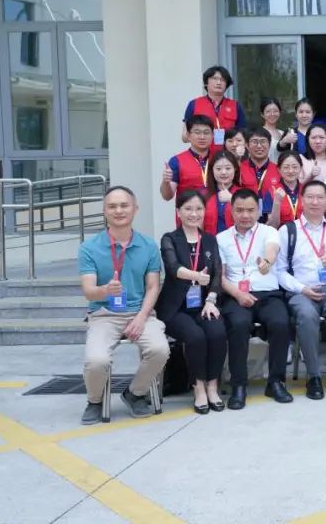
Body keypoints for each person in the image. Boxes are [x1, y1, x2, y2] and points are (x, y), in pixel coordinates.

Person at [78, 187, 170, 425]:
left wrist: (141, 317)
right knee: (96, 360)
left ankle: (135, 393)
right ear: (104, 211)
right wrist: (105, 291)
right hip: (104, 313)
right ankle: (95, 401)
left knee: (160, 350)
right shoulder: (89, 247)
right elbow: (88, 290)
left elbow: (153, 287)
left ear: (135, 209)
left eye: (124, 205)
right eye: (112, 206)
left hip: (140, 313)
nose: (118, 210)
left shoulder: (148, 246)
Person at [275, 180, 326, 400]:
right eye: (310, 197)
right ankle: (313, 376)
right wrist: (302, 288)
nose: (315, 202)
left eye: (320, 197)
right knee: (306, 316)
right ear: (302, 199)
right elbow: (280, 271)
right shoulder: (288, 230)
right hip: (301, 290)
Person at [218, 188, 291, 408]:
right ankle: (238, 385)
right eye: (239, 210)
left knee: (280, 323)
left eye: (250, 210)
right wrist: (238, 294)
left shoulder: (269, 232)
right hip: (235, 295)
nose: (245, 215)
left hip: (267, 294)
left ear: (258, 210)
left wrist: (266, 263)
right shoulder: (221, 238)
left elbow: (272, 250)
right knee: (238, 325)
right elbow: (220, 277)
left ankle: (276, 382)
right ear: (231, 211)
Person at [158, 191, 225, 414]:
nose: (193, 214)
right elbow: (173, 268)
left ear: (205, 211)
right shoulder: (169, 239)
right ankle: (199, 389)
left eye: (198, 209)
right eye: (188, 209)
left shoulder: (210, 240)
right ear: (178, 212)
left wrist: (211, 300)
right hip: (176, 308)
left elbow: (217, 273)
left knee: (217, 333)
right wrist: (196, 276)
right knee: (196, 337)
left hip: (203, 305)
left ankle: (213, 386)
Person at [183, 65, 246, 149]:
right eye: (215, 78)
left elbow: (243, 135)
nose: (219, 82)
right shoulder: (194, 104)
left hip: (228, 154)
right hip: (203, 153)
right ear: (206, 83)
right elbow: (184, 136)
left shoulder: (235, 106)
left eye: (222, 80)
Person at [161, 115, 213, 202]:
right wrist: (165, 182)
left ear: (212, 135)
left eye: (206, 132)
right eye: (197, 132)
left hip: (215, 210)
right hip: (188, 210)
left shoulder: (219, 159)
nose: (202, 137)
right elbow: (167, 196)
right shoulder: (176, 161)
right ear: (188, 135)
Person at [240, 127, 282, 220]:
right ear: (247, 145)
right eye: (254, 142)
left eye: (263, 141)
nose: (259, 146)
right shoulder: (239, 169)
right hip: (245, 217)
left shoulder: (279, 170)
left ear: (270, 144)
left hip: (272, 219)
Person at [202, 151, 241, 236]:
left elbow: (251, 216)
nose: (223, 172)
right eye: (218, 169)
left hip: (237, 241)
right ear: (212, 170)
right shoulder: (203, 194)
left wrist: (232, 199)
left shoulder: (244, 194)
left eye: (228, 168)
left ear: (235, 169)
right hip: (210, 241)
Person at [267, 151, 304, 227]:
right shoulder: (272, 191)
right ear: (279, 169)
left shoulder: (306, 190)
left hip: (304, 233)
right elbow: (272, 225)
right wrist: (277, 202)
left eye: (295, 167)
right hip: (280, 233)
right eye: (286, 167)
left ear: (301, 168)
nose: (291, 171)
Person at [259, 97, 292, 163]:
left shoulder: (283, 133)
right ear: (262, 114)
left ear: (280, 113)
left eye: (275, 111)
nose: (272, 114)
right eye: (268, 111)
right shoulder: (259, 133)